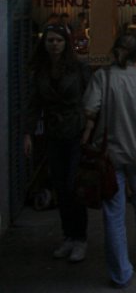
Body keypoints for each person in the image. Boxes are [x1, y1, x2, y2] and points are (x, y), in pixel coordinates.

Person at [82, 33, 136, 288]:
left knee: (113, 212)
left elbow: (89, 112)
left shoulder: (102, 77)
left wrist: (85, 142)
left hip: (109, 155)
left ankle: (120, 272)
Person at [23, 23, 93, 262]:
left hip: (76, 132)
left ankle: (80, 237)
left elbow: (91, 98)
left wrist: (90, 128)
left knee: (74, 185)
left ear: (66, 43)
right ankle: (69, 236)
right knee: (60, 186)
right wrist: (28, 133)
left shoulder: (79, 68)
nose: (54, 45)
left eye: (58, 40)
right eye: (50, 40)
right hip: (54, 132)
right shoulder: (41, 71)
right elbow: (34, 104)